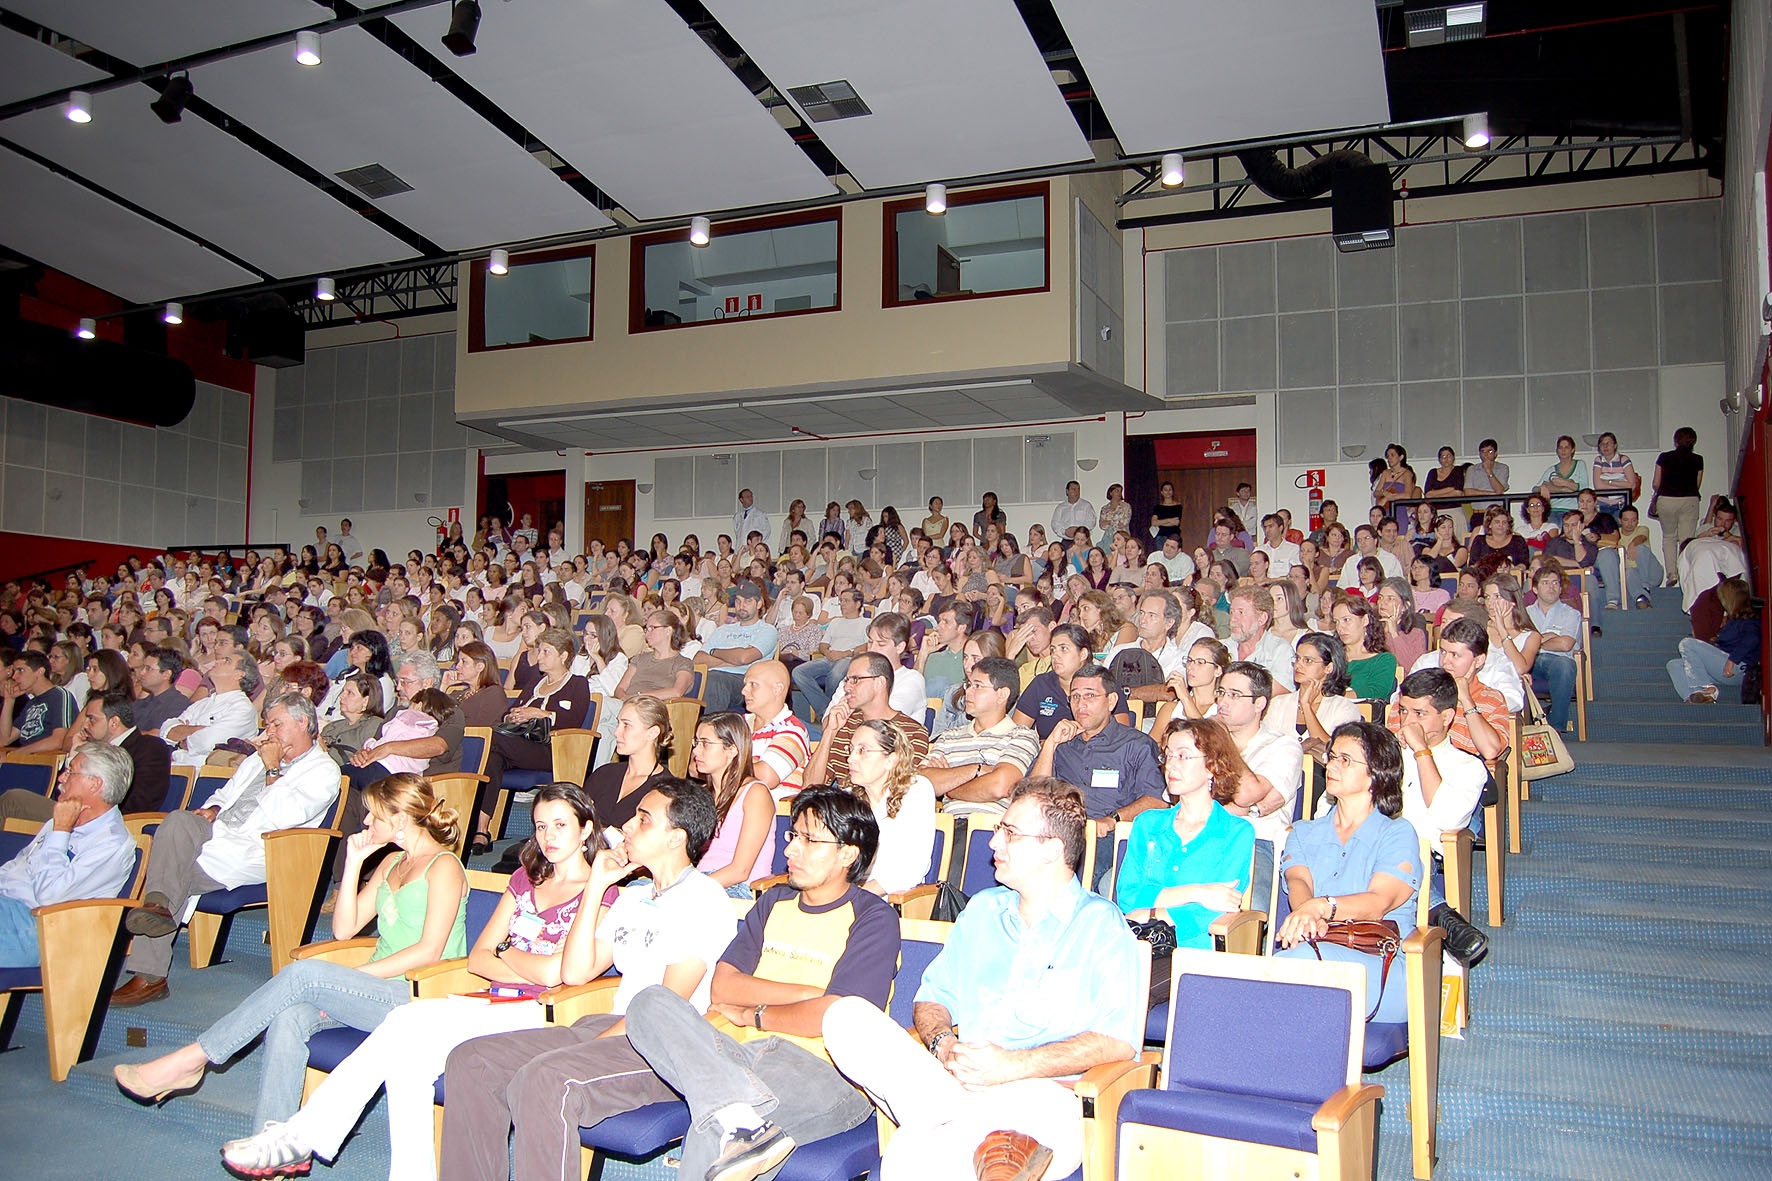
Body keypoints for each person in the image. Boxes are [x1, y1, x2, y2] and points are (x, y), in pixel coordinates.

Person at [218, 784, 603, 1181]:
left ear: (586, 829)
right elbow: (479, 958)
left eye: (560, 825)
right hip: (490, 999)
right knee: (407, 1061)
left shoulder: (603, 895)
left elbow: (556, 974)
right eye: (541, 826)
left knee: (403, 1022)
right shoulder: (525, 880)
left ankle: (301, 1136)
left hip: (543, 1013)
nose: (548, 837)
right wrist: (519, 961)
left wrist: (506, 953)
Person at [821, 778, 1141, 1181]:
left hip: (1043, 1095)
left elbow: (1119, 1041)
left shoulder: (1101, 925)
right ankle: (978, 1136)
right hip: (955, 1082)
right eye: (997, 831)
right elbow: (932, 998)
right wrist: (943, 1044)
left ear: (1053, 849)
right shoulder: (982, 911)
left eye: (1010, 832)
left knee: (910, 1154)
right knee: (844, 1016)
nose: (993, 843)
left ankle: (973, 1136)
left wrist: (1011, 1066)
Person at [112, 774, 467, 1128]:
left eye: (373, 815)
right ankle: (272, 1139)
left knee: (307, 973)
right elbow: (344, 928)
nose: (366, 822)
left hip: (420, 997)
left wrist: (346, 980)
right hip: (377, 991)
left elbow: (429, 952)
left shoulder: (444, 866)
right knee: (289, 1016)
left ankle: (193, 1058)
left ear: (400, 820)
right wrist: (355, 861)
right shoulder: (392, 864)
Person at [438, 779, 737, 1181]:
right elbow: (576, 971)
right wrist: (596, 887)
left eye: (643, 820)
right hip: (609, 1027)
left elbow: (666, 1008)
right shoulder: (634, 897)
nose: (627, 826)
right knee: (472, 1060)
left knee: (545, 1078)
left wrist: (586, 1048)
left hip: (664, 1048)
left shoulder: (704, 899)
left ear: (675, 838)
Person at [613, 787, 899, 1181]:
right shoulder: (773, 901)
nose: (791, 850)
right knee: (650, 1002)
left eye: (809, 839)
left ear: (848, 853)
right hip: (737, 1056)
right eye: (793, 835)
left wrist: (757, 1014)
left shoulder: (874, 918)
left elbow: (839, 1016)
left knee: (715, 1137)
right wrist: (810, 995)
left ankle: (734, 1119)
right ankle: (735, 1116)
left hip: (826, 1068)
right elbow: (723, 987)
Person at [113, 694, 339, 1007]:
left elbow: (283, 817)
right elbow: (224, 794)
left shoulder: (323, 771)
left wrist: (273, 769)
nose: (270, 732)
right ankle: (158, 906)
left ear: (303, 723)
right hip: (218, 831)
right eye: (267, 724)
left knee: (175, 869)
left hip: (261, 848)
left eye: (277, 724)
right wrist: (215, 807)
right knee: (177, 821)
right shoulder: (256, 760)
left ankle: (149, 974)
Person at [1275, 721, 1421, 1023]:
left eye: (1346, 760)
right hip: (1315, 953)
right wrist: (1311, 910)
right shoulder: (1303, 832)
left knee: (1288, 970)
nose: (1331, 765)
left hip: (1382, 966)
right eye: (1332, 756)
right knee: (1292, 967)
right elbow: (1299, 885)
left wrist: (1323, 906)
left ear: (1375, 774)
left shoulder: (1397, 833)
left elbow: (1378, 902)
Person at [1116, 719, 1255, 948]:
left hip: (1194, 952)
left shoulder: (1236, 832)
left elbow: (1214, 908)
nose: (1170, 765)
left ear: (1212, 766)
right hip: (1137, 946)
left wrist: (1148, 915)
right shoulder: (1147, 824)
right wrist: (1197, 892)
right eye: (1168, 756)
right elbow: (1128, 896)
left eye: (1182, 756)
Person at [0, 742, 136, 967]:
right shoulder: (61, 819)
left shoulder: (112, 844)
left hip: (38, 927)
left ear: (95, 784)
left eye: (71, 772)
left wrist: (61, 830)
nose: (62, 778)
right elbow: (19, 865)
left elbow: (50, 897)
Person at [1028, 664, 1165, 884]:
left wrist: (1112, 820)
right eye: (1075, 697)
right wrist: (1050, 744)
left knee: (1074, 871)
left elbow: (1157, 800)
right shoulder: (1062, 744)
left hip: (1110, 836)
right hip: (1058, 833)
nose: (1081, 705)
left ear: (1111, 701)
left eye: (1090, 696)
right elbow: (1032, 796)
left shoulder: (1136, 745)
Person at [1391, 669, 1490, 966]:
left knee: (1404, 856)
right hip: (1368, 844)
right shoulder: (1386, 751)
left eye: (1420, 713)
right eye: (1404, 711)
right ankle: (1443, 915)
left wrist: (1422, 752)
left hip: (1419, 860)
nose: (1408, 722)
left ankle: (1437, 913)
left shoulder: (1467, 767)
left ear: (1446, 717)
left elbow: (1448, 819)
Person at [474, 627, 592, 854]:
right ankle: (482, 829)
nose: (539, 657)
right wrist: (512, 716)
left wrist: (539, 714)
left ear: (563, 656)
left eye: (546, 652)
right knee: (492, 757)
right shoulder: (535, 683)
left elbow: (573, 720)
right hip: (521, 744)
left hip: (553, 750)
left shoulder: (577, 684)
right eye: (539, 652)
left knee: (491, 739)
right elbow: (509, 711)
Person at [803, 653, 931, 790]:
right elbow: (810, 788)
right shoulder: (844, 726)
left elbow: (902, 791)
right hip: (847, 809)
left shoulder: (912, 732)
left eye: (856, 680)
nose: (847, 688)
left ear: (880, 683)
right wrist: (829, 732)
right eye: (847, 680)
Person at [845, 718, 938, 895]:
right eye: (851, 749)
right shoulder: (848, 797)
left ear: (891, 760)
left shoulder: (917, 790)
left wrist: (854, 899)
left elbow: (910, 869)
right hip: (850, 894)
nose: (851, 758)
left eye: (862, 750)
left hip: (891, 901)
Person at [689, 712, 776, 896]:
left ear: (732, 749)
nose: (696, 751)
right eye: (696, 743)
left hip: (739, 887)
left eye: (705, 743)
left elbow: (740, 870)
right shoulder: (702, 795)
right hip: (701, 879)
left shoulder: (755, 793)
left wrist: (688, 889)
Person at [1012, 623, 1131, 740]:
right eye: (1053, 650)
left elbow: (1122, 736)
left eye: (1064, 649)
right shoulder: (1041, 684)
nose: (1055, 656)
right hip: (1051, 754)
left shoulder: (1103, 682)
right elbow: (1017, 733)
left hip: (1099, 754)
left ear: (1083, 654)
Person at [583, 696, 675, 830]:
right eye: (618, 723)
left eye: (626, 725)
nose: (616, 732)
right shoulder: (603, 774)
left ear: (652, 733)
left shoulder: (665, 789)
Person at [1668, 577, 1760, 703]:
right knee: (1674, 665)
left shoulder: (1749, 619)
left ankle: (1706, 688)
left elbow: (1753, 638)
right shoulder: (1732, 620)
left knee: (1687, 643)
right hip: (1724, 666)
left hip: (1738, 668)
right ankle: (1696, 697)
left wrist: (1733, 659)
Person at [701, 582, 780, 714]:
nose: (741, 606)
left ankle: (712, 729)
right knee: (688, 676)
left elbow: (745, 657)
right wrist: (731, 660)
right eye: (738, 601)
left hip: (745, 680)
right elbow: (698, 659)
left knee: (714, 680)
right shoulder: (723, 630)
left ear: (759, 604)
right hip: (714, 676)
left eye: (748, 601)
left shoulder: (767, 630)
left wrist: (714, 652)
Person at [1526, 565, 1582, 733]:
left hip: (1557, 662)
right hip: (1529, 661)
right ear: (1535, 589)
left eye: (1555, 583)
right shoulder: (1524, 614)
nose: (1551, 586)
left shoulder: (1571, 614)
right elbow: (1518, 644)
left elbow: (1565, 645)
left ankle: (1555, 727)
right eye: (1545, 582)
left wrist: (1535, 641)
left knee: (1565, 665)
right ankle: (1522, 724)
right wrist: (1546, 638)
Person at [0, 649, 77, 758]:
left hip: (44, 761)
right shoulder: (31, 703)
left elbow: (59, 740)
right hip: (26, 759)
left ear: (40, 671)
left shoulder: (59, 695)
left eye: (20, 670)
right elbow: (4, 740)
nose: (14, 677)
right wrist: (9, 700)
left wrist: (18, 754)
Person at [1652, 426, 1704, 585]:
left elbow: (1656, 483)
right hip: (1689, 500)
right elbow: (1697, 484)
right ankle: (1686, 576)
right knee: (1686, 540)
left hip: (1667, 500)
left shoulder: (1664, 457)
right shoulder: (1698, 459)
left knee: (1668, 537)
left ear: (1676, 441)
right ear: (1693, 441)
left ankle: (1672, 574)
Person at [1331, 594, 1399, 700]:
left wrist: (1334, 696)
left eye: (1346, 620)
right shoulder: (1330, 656)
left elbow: (1376, 691)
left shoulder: (1384, 660)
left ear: (1365, 620)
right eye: (1336, 622)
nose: (1340, 627)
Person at [1605, 504, 1662, 609]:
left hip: (1651, 574)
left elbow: (1641, 537)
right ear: (1620, 520)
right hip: (1633, 576)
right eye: (1626, 520)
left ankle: (1645, 586)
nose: (1630, 524)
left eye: (1633, 520)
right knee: (1629, 571)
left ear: (1637, 521)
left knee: (1640, 547)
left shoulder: (1642, 529)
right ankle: (1641, 598)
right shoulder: (1616, 535)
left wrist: (1632, 544)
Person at [1536, 435, 1587, 515]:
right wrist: (1563, 489)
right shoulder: (1551, 469)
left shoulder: (1580, 464)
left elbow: (1584, 487)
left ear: (1572, 450)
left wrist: (1563, 483)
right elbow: (1535, 488)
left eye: (1566, 447)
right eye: (1560, 447)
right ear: (1557, 450)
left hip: (1572, 510)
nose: (1563, 450)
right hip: (1554, 510)